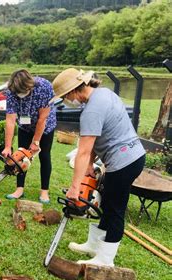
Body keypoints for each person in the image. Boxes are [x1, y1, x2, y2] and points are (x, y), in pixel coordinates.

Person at [52, 68, 146, 267]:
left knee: (115, 208)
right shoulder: (105, 93)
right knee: (107, 203)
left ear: (73, 91)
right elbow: (96, 140)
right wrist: (87, 169)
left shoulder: (91, 111)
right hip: (132, 156)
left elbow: (83, 151)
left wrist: (75, 188)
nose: (67, 101)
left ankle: (105, 259)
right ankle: (94, 245)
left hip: (124, 162)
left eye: (65, 96)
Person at [2, 69, 57, 203]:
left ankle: (44, 192)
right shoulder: (11, 90)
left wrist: (36, 142)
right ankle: (19, 189)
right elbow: (10, 120)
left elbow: (42, 119)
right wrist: (8, 147)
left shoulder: (44, 87)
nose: (19, 94)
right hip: (24, 126)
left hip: (45, 126)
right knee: (21, 155)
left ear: (29, 86)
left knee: (44, 156)